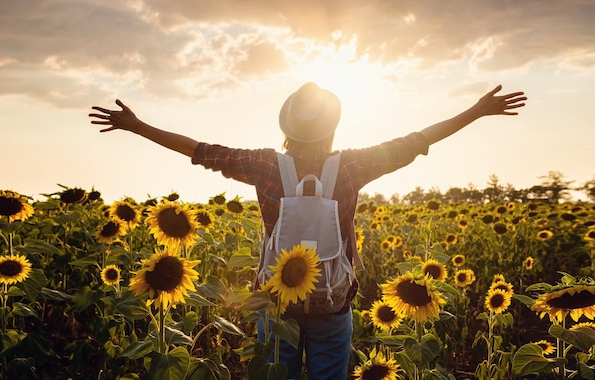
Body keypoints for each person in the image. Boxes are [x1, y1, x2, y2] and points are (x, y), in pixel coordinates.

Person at [89, 82, 526, 379]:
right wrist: (477, 111)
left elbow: (201, 150)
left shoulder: (263, 164)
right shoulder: (354, 164)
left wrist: (138, 126)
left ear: (286, 128)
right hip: (334, 301)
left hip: (275, 301)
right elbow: (417, 139)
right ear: (333, 127)